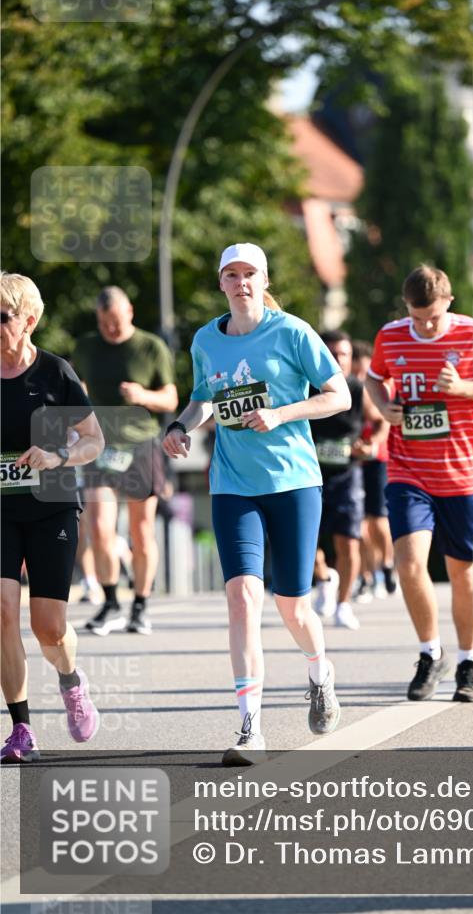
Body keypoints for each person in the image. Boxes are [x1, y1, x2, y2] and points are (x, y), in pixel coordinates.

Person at [163, 243, 350, 764]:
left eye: (250, 274)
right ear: (220, 282)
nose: (241, 282)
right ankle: (250, 729)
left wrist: (282, 414)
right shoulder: (205, 339)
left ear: (264, 281)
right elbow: (203, 397)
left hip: (293, 482)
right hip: (233, 484)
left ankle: (320, 672)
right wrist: (180, 425)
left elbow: (339, 395)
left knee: (293, 606)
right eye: (232, 274)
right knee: (243, 597)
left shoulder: (292, 332)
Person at [365, 265, 473, 704]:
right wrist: (383, 406)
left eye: (433, 317)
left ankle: (468, 661)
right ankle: (430, 653)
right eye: (417, 317)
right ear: (406, 307)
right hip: (408, 469)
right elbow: (374, 378)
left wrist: (465, 387)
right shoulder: (391, 336)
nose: (426, 326)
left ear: (449, 302)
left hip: (461, 473)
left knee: (462, 570)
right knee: (409, 562)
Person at [1, 272, 105, 763]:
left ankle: (70, 679)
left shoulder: (55, 373)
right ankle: (21, 728)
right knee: (3, 611)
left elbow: (94, 440)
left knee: (50, 628)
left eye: (1, 316)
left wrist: (59, 456)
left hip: (51, 508)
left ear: (28, 321)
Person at [72, 287, 178, 636]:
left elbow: (171, 399)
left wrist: (142, 395)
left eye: (116, 321)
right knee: (99, 527)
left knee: (141, 530)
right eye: (105, 323)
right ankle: (110, 602)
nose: (111, 329)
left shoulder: (151, 347)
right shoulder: (86, 346)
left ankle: (140, 605)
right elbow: (76, 385)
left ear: (129, 312)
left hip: (140, 445)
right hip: (99, 446)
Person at [311, 330, 386, 630]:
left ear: (351, 358)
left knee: (349, 542)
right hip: (310, 475)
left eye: (343, 354)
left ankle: (343, 606)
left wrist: (371, 444)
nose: (337, 359)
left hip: (347, 475)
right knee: (306, 543)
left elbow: (380, 421)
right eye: (330, 354)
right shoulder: (305, 386)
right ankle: (324, 578)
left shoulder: (357, 388)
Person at [351, 340, 395, 600]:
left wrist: (372, 444)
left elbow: (384, 423)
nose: (359, 377)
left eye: (363, 372)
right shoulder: (345, 388)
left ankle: (387, 564)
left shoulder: (379, 389)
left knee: (378, 521)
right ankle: (366, 576)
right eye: (355, 371)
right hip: (353, 463)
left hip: (377, 461)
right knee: (358, 526)